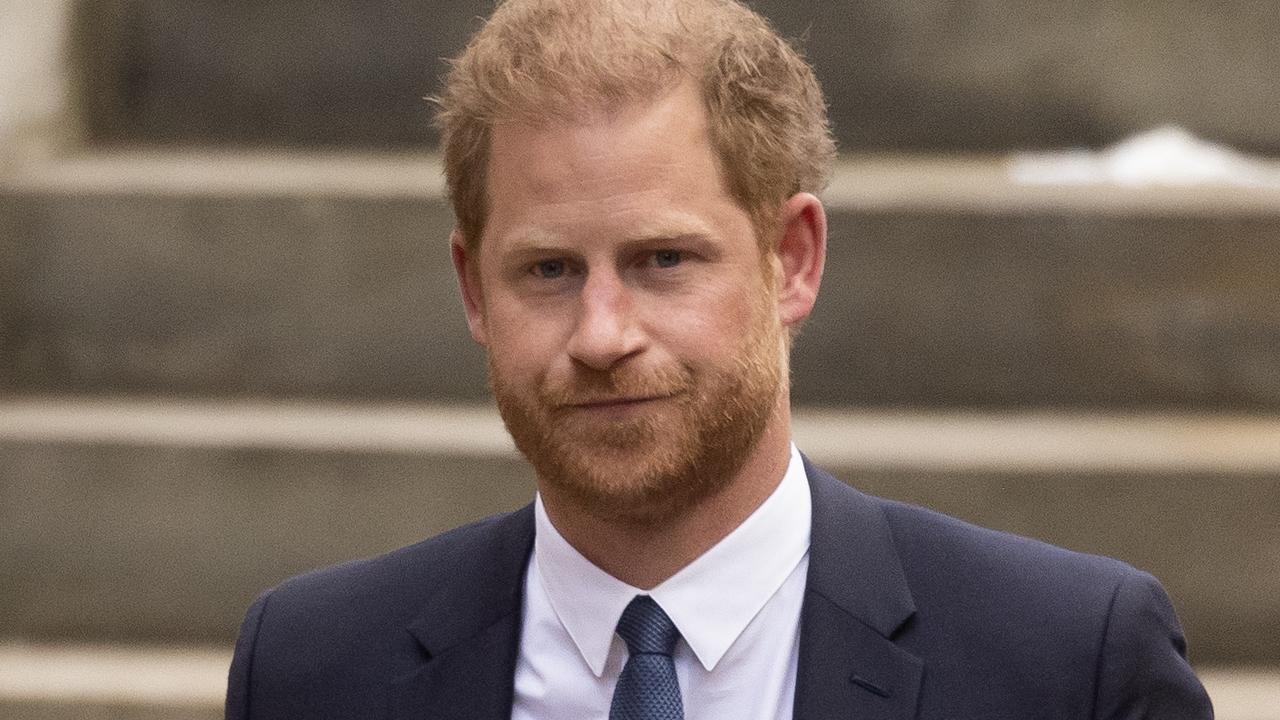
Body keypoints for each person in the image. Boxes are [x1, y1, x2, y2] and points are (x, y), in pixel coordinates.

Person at [225, 0, 1213, 718]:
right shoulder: (313, 671)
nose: (602, 334)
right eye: (547, 270)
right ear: (472, 291)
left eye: (663, 261)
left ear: (791, 261)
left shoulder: (1064, 666)